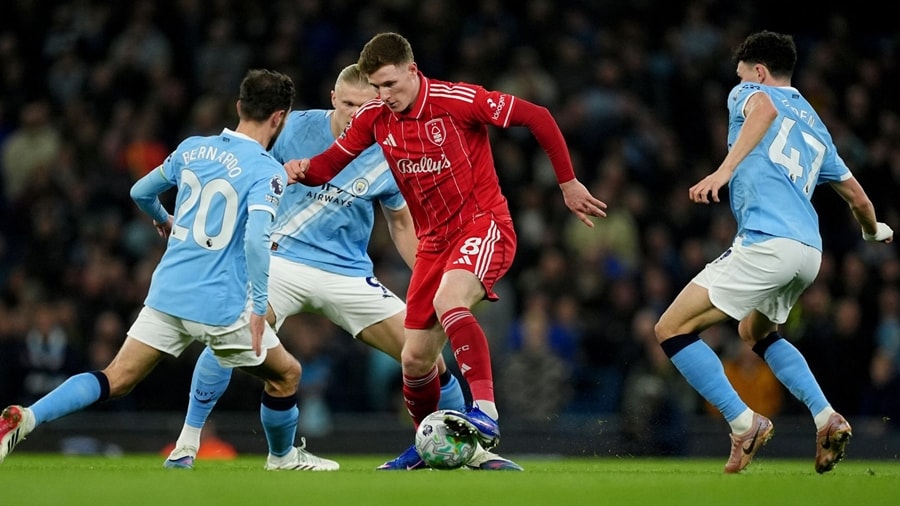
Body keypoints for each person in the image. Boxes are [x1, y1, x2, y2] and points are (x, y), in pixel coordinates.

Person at [162, 64, 521, 471]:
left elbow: (401, 224)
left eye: (364, 106)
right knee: (234, 331)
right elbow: (245, 174)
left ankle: (473, 451)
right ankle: (187, 443)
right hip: (284, 260)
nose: (355, 114)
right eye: (348, 104)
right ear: (333, 98)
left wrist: (434, 279)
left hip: (348, 273)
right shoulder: (291, 129)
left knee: (425, 357)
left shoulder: (390, 146)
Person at [285, 32, 607, 468]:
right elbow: (329, 164)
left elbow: (538, 116)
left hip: (483, 225)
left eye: (391, 84)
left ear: (413, 71)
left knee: (448, 299)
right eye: (377, 87)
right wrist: (302, 169)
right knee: (415, 359)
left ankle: (485, 412)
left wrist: (567, 183)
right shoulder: (375, 117)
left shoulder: (457, 101)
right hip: (435, 244)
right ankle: (426, 445)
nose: (384, 95)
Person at [0, 69, 340, 471]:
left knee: (116, 377)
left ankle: (30, 416)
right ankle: (281, 458)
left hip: (168, 294)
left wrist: (164, 218)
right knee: (287, 374)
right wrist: (259, 305)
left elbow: (140, 191)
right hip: (219, 304)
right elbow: (254, 240)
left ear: (239, 107)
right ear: (279, 117)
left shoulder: (193, 148)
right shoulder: (266, 170)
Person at [653, 30, 894, 474]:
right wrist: (874, 231)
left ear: (759, 72)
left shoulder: (749, 94)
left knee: (671, 328)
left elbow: (762, 110)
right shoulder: (815, 125)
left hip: (767, 243)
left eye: (743, 74)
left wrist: (724, 171)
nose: (740, 82)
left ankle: (743, 423)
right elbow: (859, 199)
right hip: (809, 253)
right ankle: (826, 416)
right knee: (755, 332)